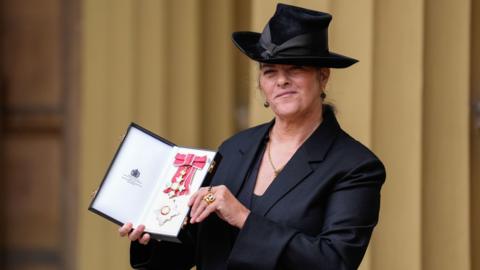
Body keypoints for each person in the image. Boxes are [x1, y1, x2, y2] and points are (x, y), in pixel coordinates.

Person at [119, 3, 385, 270]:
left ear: (323, 77)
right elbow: (194, 250)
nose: (281, 80)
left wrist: (244, 218)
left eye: (295, 69)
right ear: (262, 85)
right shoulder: (234, 147)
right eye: (270, 71)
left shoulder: (355, 166)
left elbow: (335, 262)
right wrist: (151, 235)